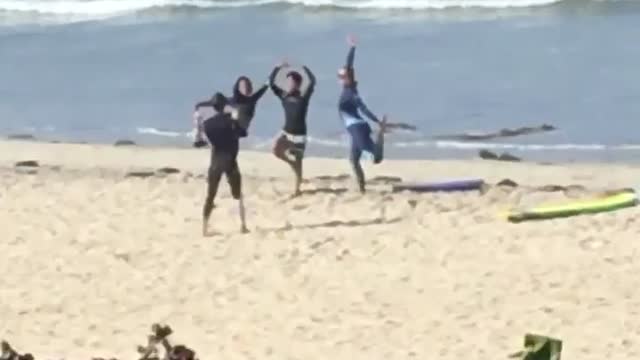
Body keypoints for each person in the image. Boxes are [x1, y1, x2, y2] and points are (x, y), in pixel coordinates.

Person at [338, 35, 387, 193]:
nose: (339, 79)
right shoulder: (347, 90)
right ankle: (362, 189)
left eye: (342, 77)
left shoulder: (351, 92)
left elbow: (363, 108)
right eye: (339, 76)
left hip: (358, 128)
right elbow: (348, 66)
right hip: (355, 130)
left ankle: (381, 135)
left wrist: (377, 121)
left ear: (348, 79)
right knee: (353, 161)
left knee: (376, 158)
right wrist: (352, 48)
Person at [200, 92, 248, 235]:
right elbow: (243, 133)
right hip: (230, 161)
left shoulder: (207, 124)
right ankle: (242, 225)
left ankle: (204, 228)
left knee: (210, 195)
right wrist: (236, 119)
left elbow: (208, 141)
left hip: (215, 161)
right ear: (224, 105)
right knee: (238, 194)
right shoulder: (231, 121)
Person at [269, 60, 316, 196]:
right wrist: (277, 67)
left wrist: (305, 67)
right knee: (276, 149)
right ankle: (290, 163)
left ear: (298, 84)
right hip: (286, 132)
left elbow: (312, 82)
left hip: (300, 136)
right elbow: (271, 83)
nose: (289, 84)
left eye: (292, 82)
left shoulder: (303, 98)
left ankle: (297, 189)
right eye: (288, 82)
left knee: (298, 162)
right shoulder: (284, 96)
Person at [192, 76, 268, 147]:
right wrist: (199, 106)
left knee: (233, 111)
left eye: (246, 86)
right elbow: (215, 103)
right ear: (237, 88)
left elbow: (266, 85)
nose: (244, 89)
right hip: (227, 126)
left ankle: (214, 136)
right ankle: (199, 139)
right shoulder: (231, 100)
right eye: (242, 86)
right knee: (216, 99)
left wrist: (276, 69)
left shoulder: (252, 100)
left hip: (239, 129)